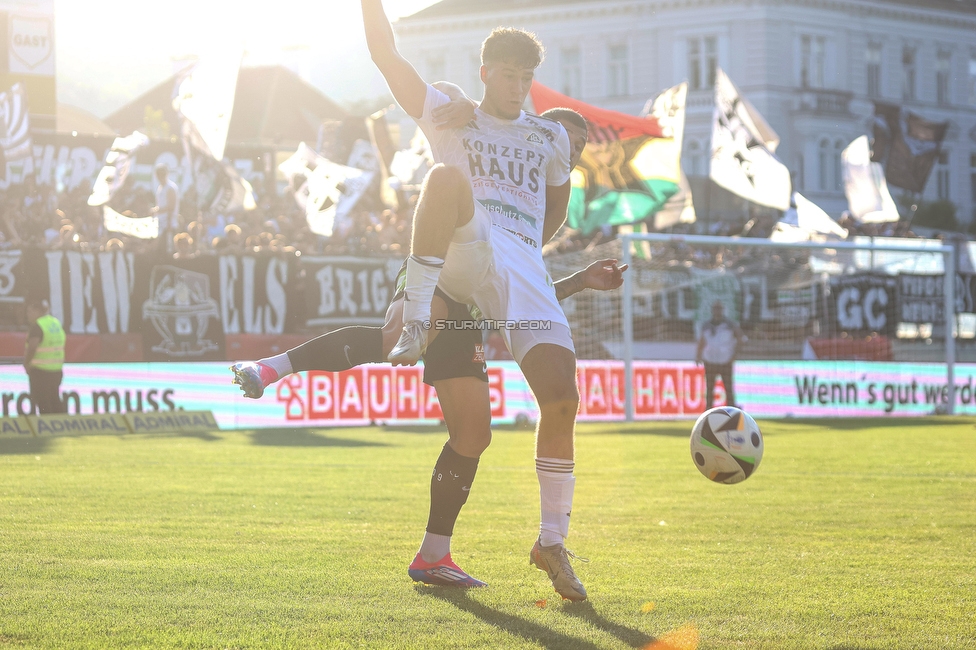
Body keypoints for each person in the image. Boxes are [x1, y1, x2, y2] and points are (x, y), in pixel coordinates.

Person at [695, 300, 745, 410]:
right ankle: (708, 409)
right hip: (710, 360)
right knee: (710, 387)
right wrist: (698, 355)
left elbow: (740, 338)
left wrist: (735, 354)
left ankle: (732, 409)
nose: (717, 311)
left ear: (722, 310)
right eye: (715, 308)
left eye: (719, 308)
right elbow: (702, 341)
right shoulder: (706, 325)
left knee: (728, 386)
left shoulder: (730, 324)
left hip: (725, 360)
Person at [23, 298, 66, 414]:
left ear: (38, 311)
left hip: (41, 371)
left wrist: (26, 363)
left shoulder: (37, 326)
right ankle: (63, 426)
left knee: (43, 402)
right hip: (56, 370)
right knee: (55, 400)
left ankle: (47, 428)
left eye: (30, 312)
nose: (28, 315)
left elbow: (32, 347)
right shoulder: (55, 323)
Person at [153, 164, 181, 253]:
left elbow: (171, 207)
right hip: (161, 224)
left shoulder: (170, 187)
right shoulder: (160, 188)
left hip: (169, 225)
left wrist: (169, 223)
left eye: (163, 174)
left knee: (169, 249)